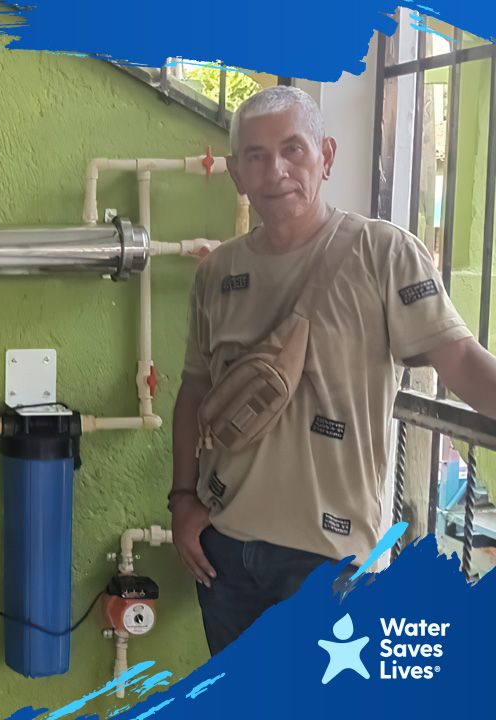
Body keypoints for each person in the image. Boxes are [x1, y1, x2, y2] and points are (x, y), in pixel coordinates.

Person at [169, 86, 496, 655]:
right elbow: (194, 390)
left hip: (334, 562)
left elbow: (462, 360)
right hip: (227, 551)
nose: (276, 170)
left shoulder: (384, 254)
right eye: (256, 156)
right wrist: (181, 502)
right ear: (236, 174)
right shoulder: (217, 272)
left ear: (326, 156)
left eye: (293, 149)